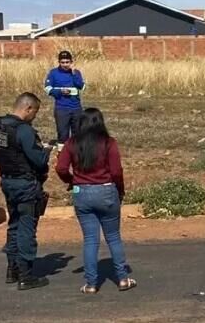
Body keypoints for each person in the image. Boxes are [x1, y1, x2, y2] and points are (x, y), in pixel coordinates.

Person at [55, 108, 136, 294]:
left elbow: (60, 168)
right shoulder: (109, 143)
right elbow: (116, 171)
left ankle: (91, 283)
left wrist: (71, 180)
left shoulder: (72, 143)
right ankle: (122, 278)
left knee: (90, 239)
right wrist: (120, 191)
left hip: (82, 192)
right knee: (113, 237)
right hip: (106, 190)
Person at [0, 93, 52, 290]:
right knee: (26, 227)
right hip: (25, 184)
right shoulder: (24, 130)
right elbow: (39, 160)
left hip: (7, 182)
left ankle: (12, 269)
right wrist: (47, 150)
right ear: (28, 108)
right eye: (35, 111)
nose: (35, 116)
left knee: (14, 225)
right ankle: (26, 275)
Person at [45, 50, 85, 150]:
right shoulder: (53, 73)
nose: (65, 64)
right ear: (59, 62)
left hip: (76, 108)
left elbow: (81, 86)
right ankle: (62, 155)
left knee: (78, 133)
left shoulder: (76, 72)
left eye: (67, 62)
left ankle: (77, 155)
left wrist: (74, 74)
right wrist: (60, 92)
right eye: (63, 62)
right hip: (61, 108)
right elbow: (47, 89)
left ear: (71, 62)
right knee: (63, 134)